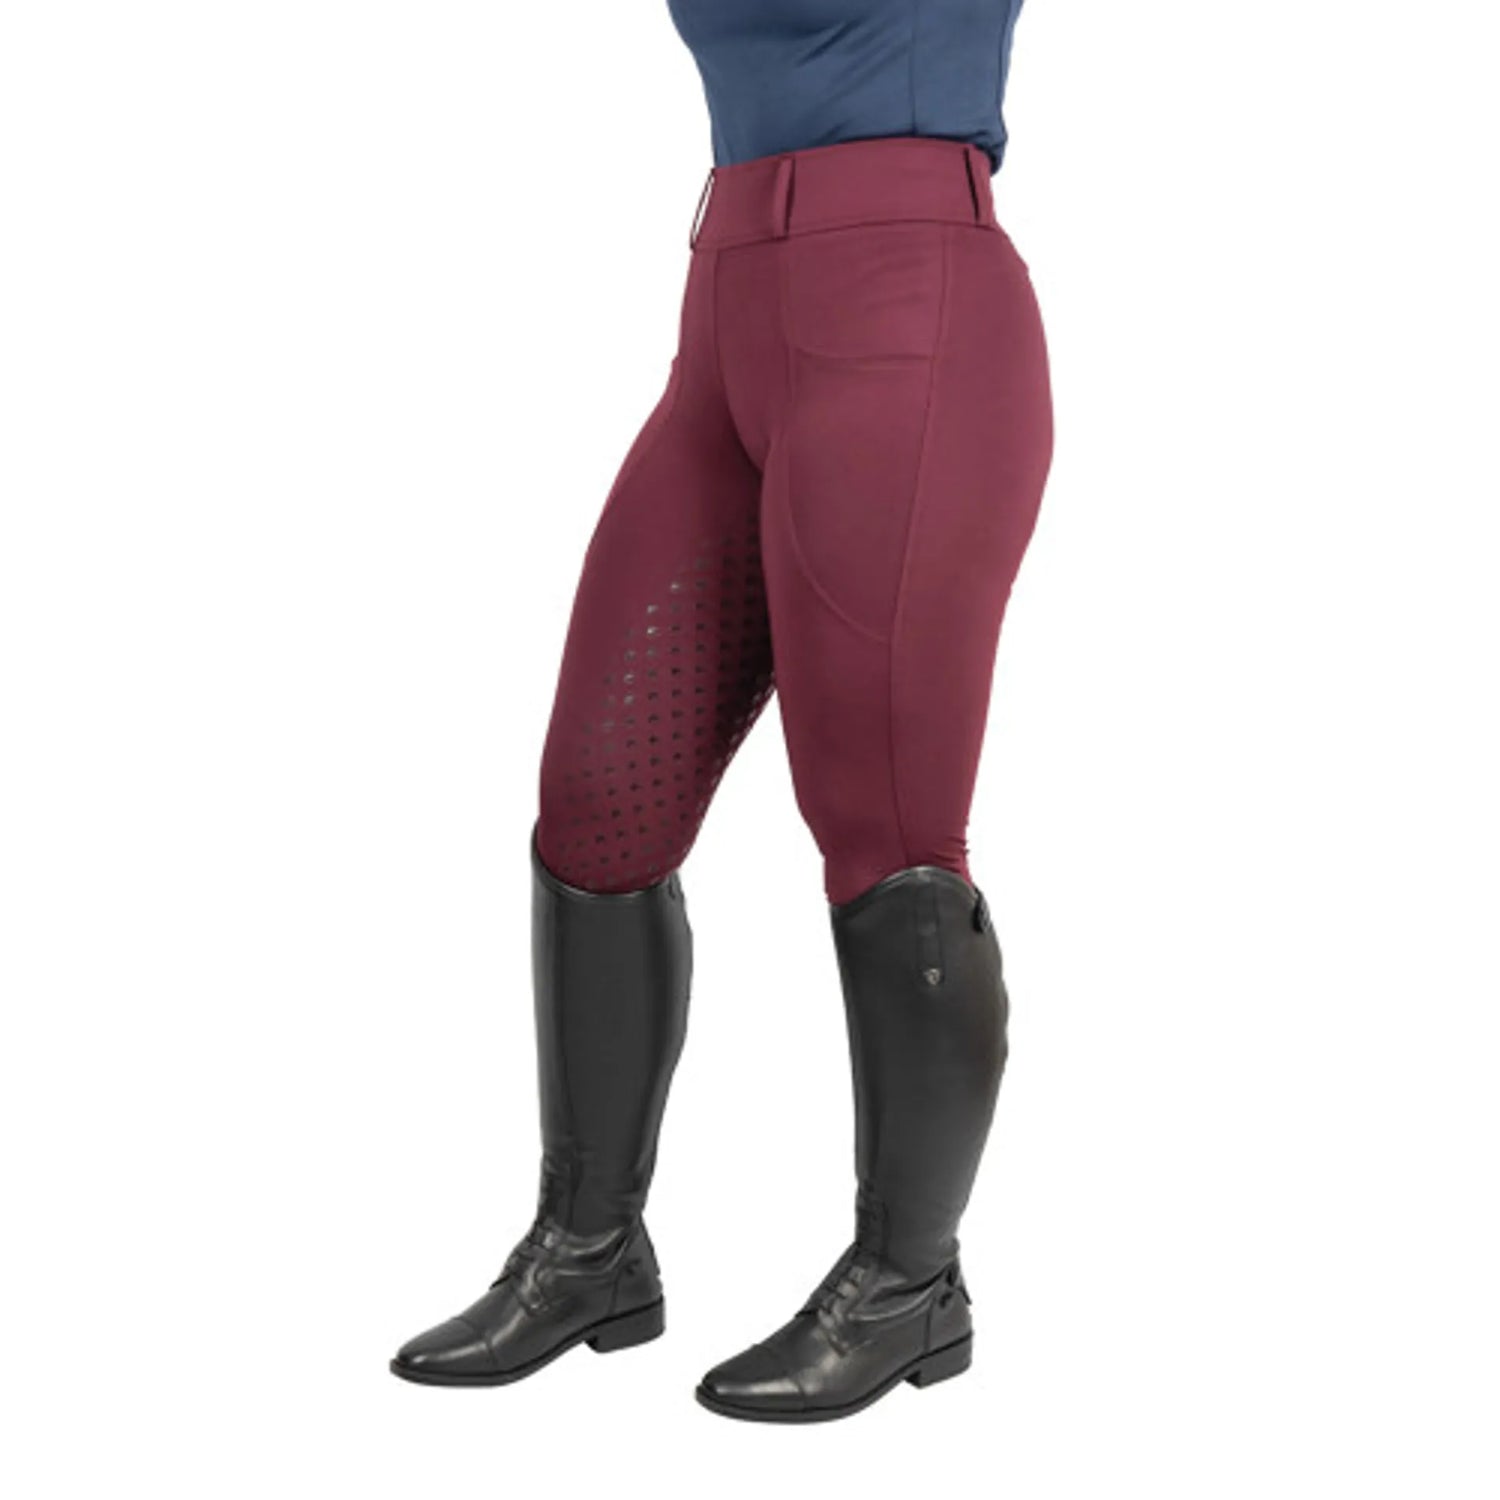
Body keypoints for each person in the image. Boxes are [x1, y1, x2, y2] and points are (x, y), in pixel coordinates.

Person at [390, 0, 1053, 1423]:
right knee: (597, 808)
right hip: (726, 319)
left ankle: (908, 1282)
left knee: (885, 831)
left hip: (910, 313)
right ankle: (589, 1253)